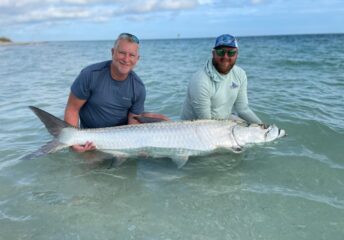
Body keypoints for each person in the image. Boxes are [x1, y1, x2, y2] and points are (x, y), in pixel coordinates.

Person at [64, 33, 168, 152]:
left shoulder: (138, 87)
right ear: (113, 52)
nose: (126, 59)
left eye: (131, 55)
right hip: (89, 139)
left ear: (137, 59)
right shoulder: (90, 74)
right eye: (122, 53)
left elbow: (133, 124)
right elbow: (72, 108)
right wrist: (73, 142)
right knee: (90, 165)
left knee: (161, 120)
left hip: (119, 139)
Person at [181, 34, 263, 124]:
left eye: (231, 53)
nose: (226, 57)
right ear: (213, 53)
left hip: (223, 121)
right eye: (221, 52)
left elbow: (242, 109)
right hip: (197, 129)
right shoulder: (200, 81)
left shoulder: (240, 74)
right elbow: (207, 124)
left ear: (237, 54)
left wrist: (263, 127)